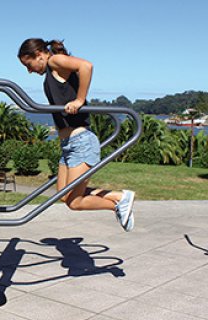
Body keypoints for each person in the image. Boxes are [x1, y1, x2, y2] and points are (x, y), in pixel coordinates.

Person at [18, 39, 135, 231]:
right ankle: (118, 197)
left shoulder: (54, 61)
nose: (29, 71)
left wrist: (80, 99)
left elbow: (86, 66)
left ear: (39, 54)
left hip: (81, 142)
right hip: (68, 144)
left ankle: (119, 201)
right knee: (63, 195)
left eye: (28, 65)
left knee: (74, 202)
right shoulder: (50, 70)